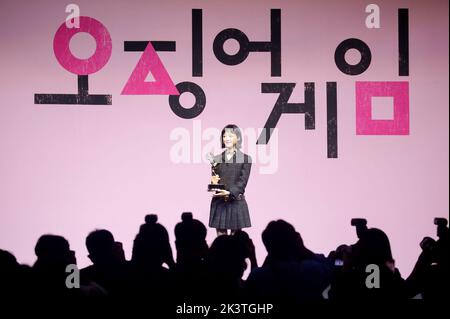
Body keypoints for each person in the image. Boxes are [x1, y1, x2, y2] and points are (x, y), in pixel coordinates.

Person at [209, 124, 252, 236]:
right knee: (221, 241)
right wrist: (215, 187)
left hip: (236, 202)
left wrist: (229, 192)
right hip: (219, 203)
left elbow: (242, 182)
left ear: (237, 138)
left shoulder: (245, 159)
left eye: (230, 135)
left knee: (236, 242)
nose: (227, 138)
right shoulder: (216, 159)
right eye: (224, 136)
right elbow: (215, 179)